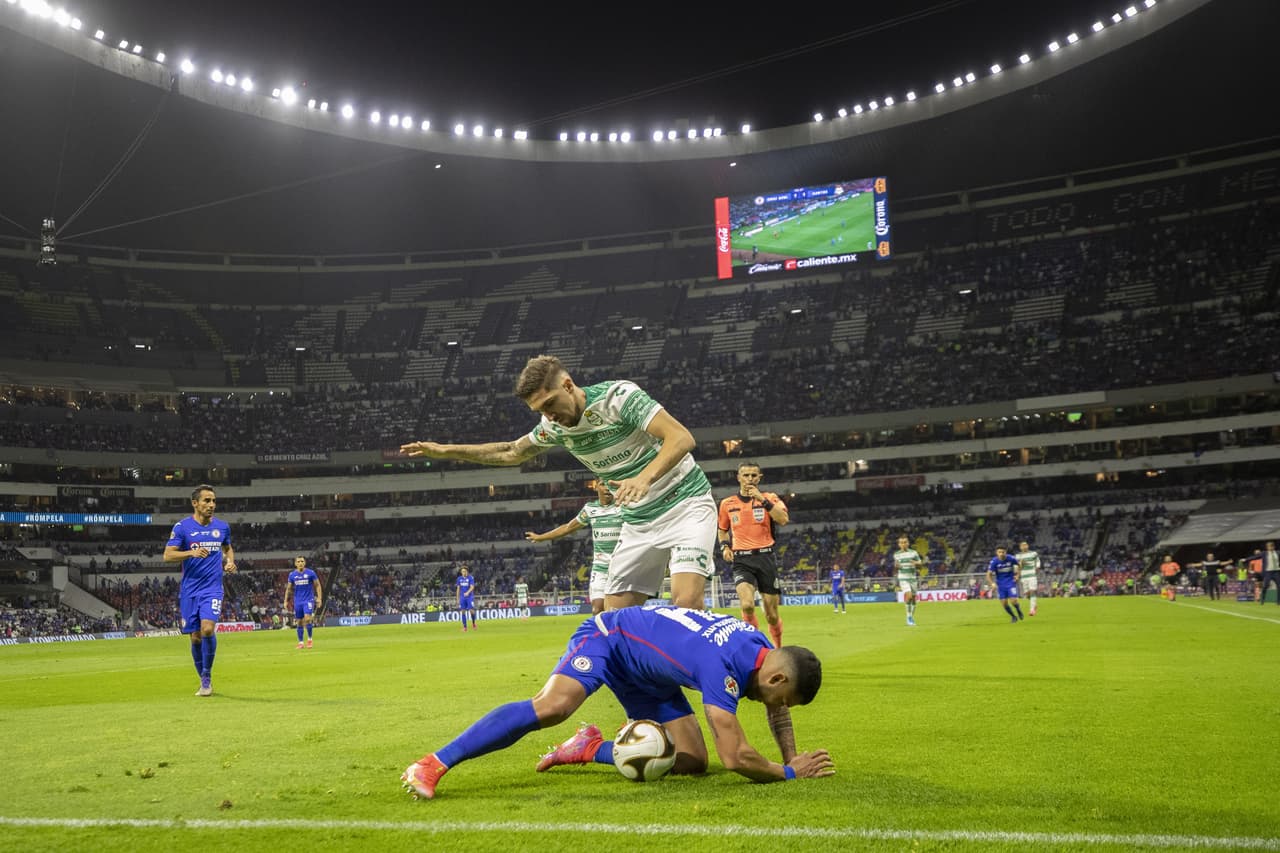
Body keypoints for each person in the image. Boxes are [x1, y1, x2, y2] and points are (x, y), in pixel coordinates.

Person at [400, 605, 834, 799]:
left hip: (651, 672)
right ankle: (433, 762)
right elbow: (737, 757)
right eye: (783, 699)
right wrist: (790, 771)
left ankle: (588, 748)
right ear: (775, 675)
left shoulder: (757, 645)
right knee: (553, 706)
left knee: (690, 761)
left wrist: (792, 753)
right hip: (610, 638)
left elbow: (771, 708)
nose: (776, 707)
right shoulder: (722, 669)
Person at [401, 355, 716, 612]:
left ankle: (717, 679)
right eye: (540, 411)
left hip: (685, 504)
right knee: (615, 617)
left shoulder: (617, 398)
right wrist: (445, 451)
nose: (549, 417)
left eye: (550, 404)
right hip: (638, 519)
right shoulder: (553, 428)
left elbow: (681, 437)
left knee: (686, 603)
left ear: (568, 385)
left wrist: (644, 477)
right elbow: (512, 451)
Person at [162, 484, 236, 697]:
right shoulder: (182, 527)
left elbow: (227, 548)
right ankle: (203, 682)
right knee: (194, 637)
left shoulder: (222, 527)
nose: (211, 505)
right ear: (195, 503)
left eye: (213, 501)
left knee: (206, 630)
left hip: (212, 589)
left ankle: (206, 675)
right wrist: (190, 553)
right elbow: (167, 555)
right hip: (189, 591)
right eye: (206, 501)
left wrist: (229, 562)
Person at [717, 462, 790, 647]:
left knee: (772, 615)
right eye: (746, 475)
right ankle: (755, 646)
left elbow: (783, 519)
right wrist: (725, 546)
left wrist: (763, 501)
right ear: (738, 477)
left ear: (759, 478)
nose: (750, 479)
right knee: (747, 605)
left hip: (765, 557)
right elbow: (722, 529)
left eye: (753, 476)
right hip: (742, 559)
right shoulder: (727, 503)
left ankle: (777, 647)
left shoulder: (770, 497)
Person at [525, 480, 622, 615]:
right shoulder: (590, 509)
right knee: (597, 610)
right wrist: (540, 537)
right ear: (596, 487)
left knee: (616, 611)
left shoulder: (622, 507)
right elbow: (568, 528)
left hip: (621, 567)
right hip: (600, 568)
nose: (607, 489)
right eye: (603, 484)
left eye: (610, 485)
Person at [283, 555, 322, 648]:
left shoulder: (311, 573)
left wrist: (319, 598)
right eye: (298, 561)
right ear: (295, 564)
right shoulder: (292, 575)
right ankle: (301, 643)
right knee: (299, 622)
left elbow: (317, 585)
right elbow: (288, 589)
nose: (300, 563)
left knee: (308, 619)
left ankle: (309, 640)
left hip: (308, 600)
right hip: (298, 601)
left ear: (305, 563)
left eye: (302, 561)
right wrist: (285, 601)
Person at [986, 546, 1023, 623]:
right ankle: (1013, 617)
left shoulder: (1011, 558)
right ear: (997, 553)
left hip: (1010, 582)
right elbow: (988, 574)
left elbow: (1019, 565)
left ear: (1006, 552)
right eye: (999, 552)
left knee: (1013, 601)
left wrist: (1018, 575)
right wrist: (992, 583)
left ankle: (1018, 609)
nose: (1001, 554)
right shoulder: (994, 562)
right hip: (1000, 585)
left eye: (1003, 552)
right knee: (1004, 603)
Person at [892, 535, 923, 626]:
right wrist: (896, 567)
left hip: (912, 578)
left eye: (905, 542)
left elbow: (920, 566)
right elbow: (896, 567)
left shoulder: (914, 553)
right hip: (903, 578)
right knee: (908, 596)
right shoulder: (896, 554)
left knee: (913, 599)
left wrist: (916, 563)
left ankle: (910, 617)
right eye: (901, 542)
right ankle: (909, 617)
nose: (903, 544)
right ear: (899, 544)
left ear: (908, 543)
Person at [1015, 540, 1041, 616]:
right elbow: (1017, 567)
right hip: (1023, 576)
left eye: (1025, 545)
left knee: (1032, 591)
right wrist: (1020, 565)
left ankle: (1032, 609)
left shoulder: (1033, 553)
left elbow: (1038, 561)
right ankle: (1034, 604)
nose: (1024, 546)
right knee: (1027, 594)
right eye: (1022, 545)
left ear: (1028, 546)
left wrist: (1037, 568)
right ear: (1020, 547)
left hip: (1032, 574)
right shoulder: (1018, 556)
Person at [456, 566, 477, 631]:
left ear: (467, 571)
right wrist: (457, 598)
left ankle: (473, 623)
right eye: (462, 571)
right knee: (463, 611)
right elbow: (458, 589)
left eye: (464, 571)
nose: (463, 572)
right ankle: (465, 627)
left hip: (469, 597)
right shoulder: (459, 578)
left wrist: (468, 592)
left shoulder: (470, 578)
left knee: (471, 610)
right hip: (462, 597)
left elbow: (472, 587)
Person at [1260, 541, 1279, 606]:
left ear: (1274, 547)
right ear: (1267, 547)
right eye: (1269, 546)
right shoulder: (1264, 553)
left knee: (1279, 586)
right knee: (1265, 586)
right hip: (1268, 572)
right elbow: (1255, 557)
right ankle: (1262, 600)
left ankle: (1278, 602)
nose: (1270, 548)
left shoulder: (1277, 553)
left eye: (1271, 546)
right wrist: (1245, 559)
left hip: (1276, 571)